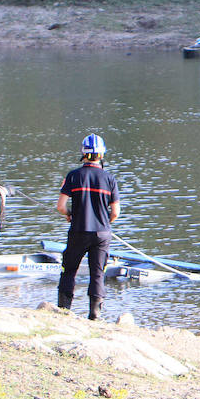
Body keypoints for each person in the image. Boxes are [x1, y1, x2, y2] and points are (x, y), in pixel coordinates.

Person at [57, 134, 120, 321]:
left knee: (69, 270)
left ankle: (64, 310)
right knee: (97, 273)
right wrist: (104, 222)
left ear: (83, 154)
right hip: (101, 233)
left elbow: (60, 206)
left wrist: (69, 214)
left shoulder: (73, 176)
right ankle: (94, 314)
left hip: (78, 230)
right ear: (102, 155)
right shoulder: (110, 179)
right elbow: (116, 212)